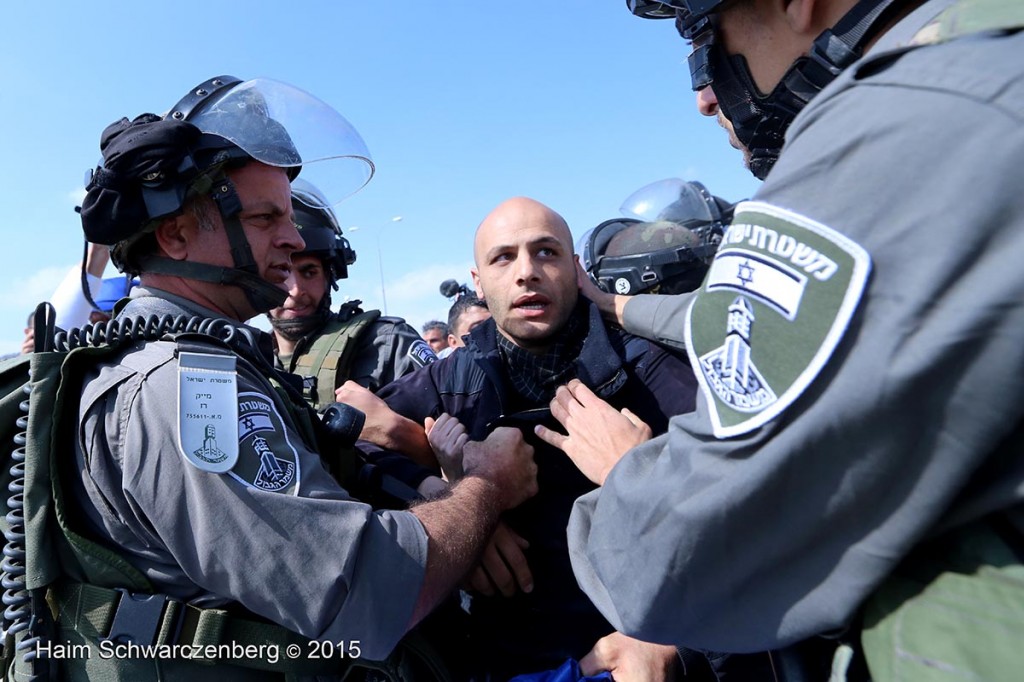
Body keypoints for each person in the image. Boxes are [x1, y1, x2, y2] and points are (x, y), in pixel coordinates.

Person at [550, 0, 1024, 679]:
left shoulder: (892, 124)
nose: (706, 97)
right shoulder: (987, 67)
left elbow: (678, 557)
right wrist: (623, 310)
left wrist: (627, 475)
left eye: (706, 39)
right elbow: (738, 319)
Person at [45, 75, 538, 680]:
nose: (292, 238)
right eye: (263, 217)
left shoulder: (190, 360)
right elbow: (364, 588)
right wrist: (484, 487)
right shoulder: (188, 386)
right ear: (174, 235)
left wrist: (426, 493)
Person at [369, 196, 700, 679]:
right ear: (479, 283)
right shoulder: (450, 381)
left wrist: (641, 475)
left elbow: (753, 509)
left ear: (575, 267)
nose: (527, 272)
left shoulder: (653, 371)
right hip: (506, 658)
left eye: (546, 252)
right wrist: (460, 510)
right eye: (504, 257)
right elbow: (356, 449)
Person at [269, 180, 436, 409]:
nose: (296, 290)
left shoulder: (386, 344)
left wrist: (394, 430)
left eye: (309, 272)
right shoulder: (245, 360)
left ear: (330, 276)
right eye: (282, 271)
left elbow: (448, 434)